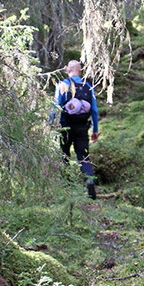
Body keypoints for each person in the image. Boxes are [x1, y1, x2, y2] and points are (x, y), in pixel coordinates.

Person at [52, 60, 100, 199]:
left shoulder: (63, 84)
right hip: (82, 127)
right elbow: (95, 111)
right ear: (80, 70)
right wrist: (95, 130)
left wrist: (51, 124)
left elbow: (55, 106)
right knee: (83, 156)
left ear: (67, 70)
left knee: (64, 155)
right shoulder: (88, 86)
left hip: (65, 126)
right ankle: (89, 180)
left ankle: (66, 188)